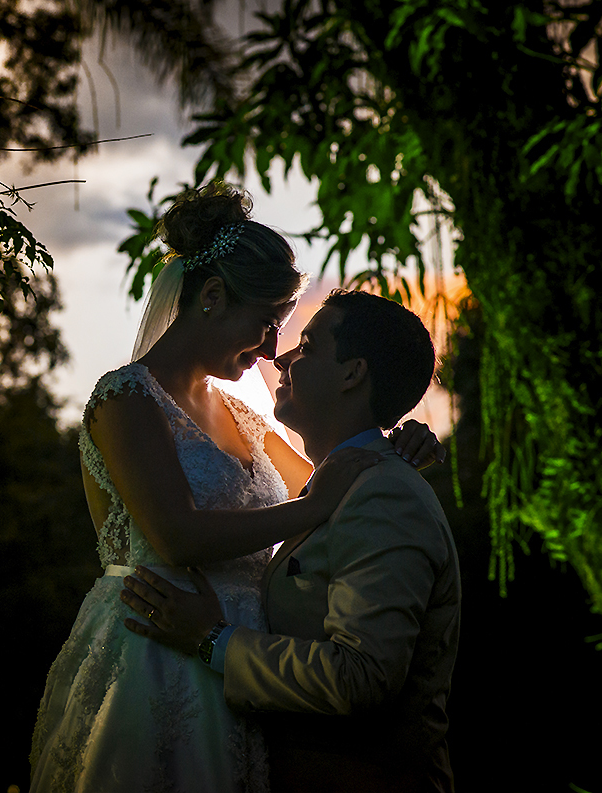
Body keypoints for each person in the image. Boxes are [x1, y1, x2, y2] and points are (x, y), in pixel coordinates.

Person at [29, 184, 443, 793]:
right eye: (267, 323)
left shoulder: (244, 416)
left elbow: (341, 492)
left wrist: (398, 451)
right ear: (214, 297)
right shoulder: (126, 399)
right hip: (155, 651)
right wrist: (317, 504)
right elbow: (175, 535)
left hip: (242, 667)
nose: (273, 348)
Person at [120, 289, 460, 793]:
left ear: (353, 373)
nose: (281, 357)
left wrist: (210, 639)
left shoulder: (385, 494)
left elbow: (361, 678)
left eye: (307, 345)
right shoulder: (338, 483)